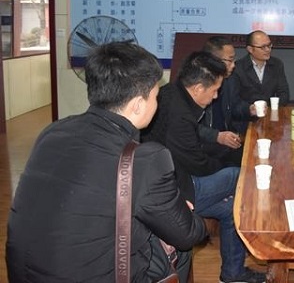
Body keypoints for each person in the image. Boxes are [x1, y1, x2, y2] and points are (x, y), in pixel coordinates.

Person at [6, 42, 206, 282]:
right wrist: (189, 215)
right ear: (138, 105)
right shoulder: (145, 159)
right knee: (178, 248)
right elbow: (187, 234)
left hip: (24, 274)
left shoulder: (53, 132)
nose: (158, 103)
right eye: (156, 96)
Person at [142, 50, 265, 283]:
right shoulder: (179, 114)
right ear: (198, 88)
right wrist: (223, 168)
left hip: (174, 174)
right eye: (215, 90)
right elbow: (198, 164)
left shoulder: (172, 92)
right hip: (174, 190)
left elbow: (193, 142)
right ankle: (263, 239)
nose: (216, 96)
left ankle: (233, 274)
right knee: (241, 176)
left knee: (233, 209)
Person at [200, 35, 256, 147]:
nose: (234, 65)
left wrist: (249, 109)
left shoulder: (229, 80)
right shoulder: (196, 85)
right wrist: (216, 136)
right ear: (214, 60)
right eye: (230, 60)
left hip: (227, 141)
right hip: (203, 147)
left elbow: (234, 106)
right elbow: (189, 126)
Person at [232, 30, 290, 106]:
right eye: (263, 47)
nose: (268, 49)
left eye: (269, 45)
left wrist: (270, 107)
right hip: (247, 112)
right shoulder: (238, 67)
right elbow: (234, 99)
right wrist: (250, 109)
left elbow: (284, 94)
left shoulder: (277, 64)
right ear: (250, 49)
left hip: (270, 109)